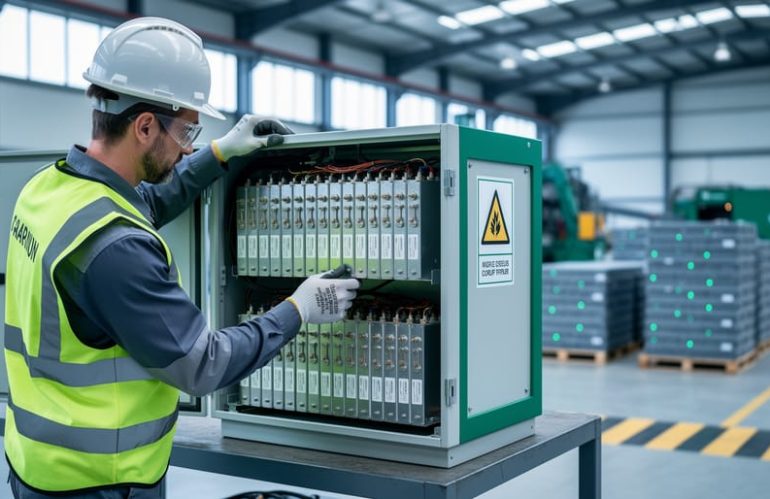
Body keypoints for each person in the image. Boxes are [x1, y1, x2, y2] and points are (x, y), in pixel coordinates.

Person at [3, 16, 359, 498]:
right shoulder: (118, 248)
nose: (187, 146)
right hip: (100, 484)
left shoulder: (49, 189)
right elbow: (203, 364)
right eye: (188, 132)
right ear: (145, 126)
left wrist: (217, 153)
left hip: (36, 468)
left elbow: (139, 204)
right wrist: (298, 310)